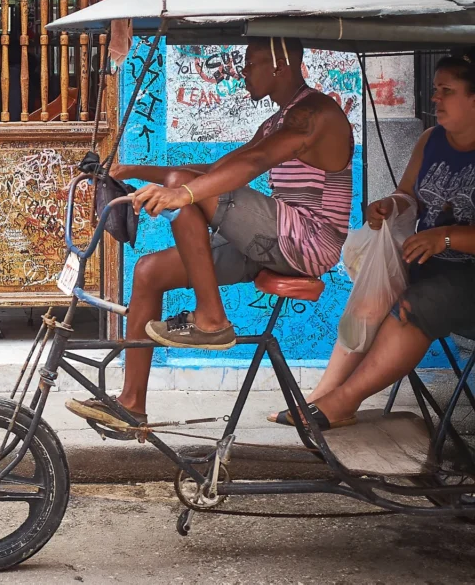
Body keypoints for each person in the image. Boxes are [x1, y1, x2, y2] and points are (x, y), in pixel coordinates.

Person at [66, 36, 354, 428]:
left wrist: (181, 193)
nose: (243, 73)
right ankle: (131, 403)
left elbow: (254, 162)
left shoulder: (314, 114)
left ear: (279, 65)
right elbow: (220, 168)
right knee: (149, 272)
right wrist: (132, 170)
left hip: (309, 240)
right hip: (278, 238)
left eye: (251, 64)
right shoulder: (279, 120)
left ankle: (212, 319)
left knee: (185, 188)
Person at [267, 49, 475, 430]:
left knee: (414, 305)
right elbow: (408, 195)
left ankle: (344, 401)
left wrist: (445, 238)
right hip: (427, 265)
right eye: (434, 89)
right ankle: (322, 393)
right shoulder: (430, 140)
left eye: (446, 91)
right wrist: (389, 206)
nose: (436, 99)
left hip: (466, 282)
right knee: (368, 297)